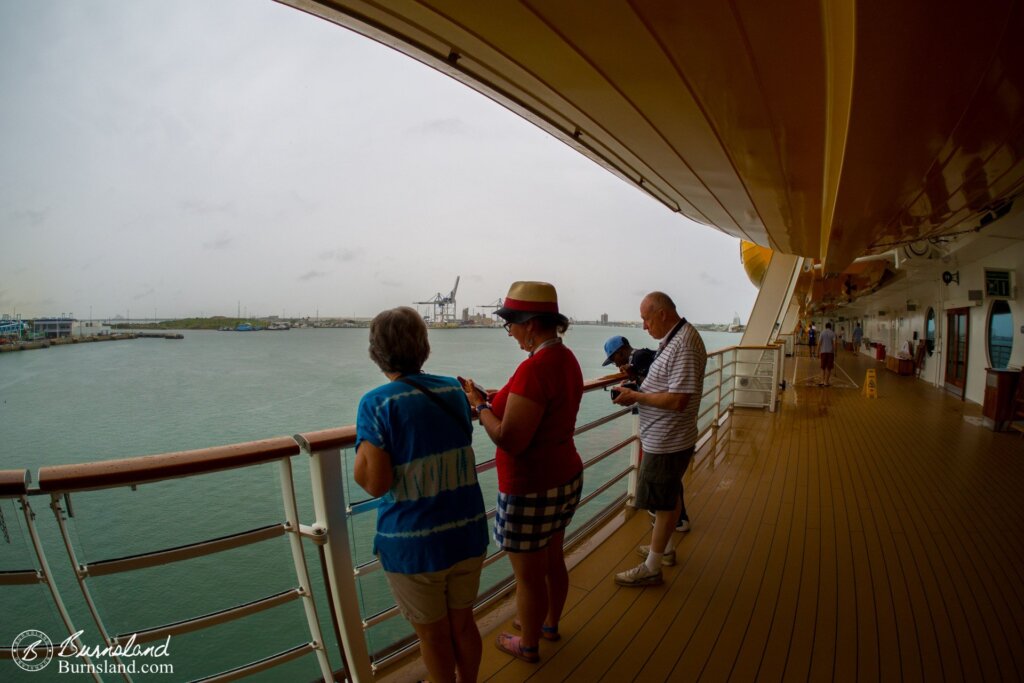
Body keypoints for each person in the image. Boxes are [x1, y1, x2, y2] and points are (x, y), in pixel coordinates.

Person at [354, 307, 489, 683]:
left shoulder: (376, 403)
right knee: (463, 623)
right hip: (467, 531)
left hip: (415, 545)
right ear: (423, 346)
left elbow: (375, 483)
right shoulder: (453, 389)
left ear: (376, 351)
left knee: (432, 634)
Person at [460, 281, 583, 664]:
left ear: (530, 323)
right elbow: (532, 403)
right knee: (552, 558)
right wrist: (496, 398)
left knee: (528, 577)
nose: (509, 331)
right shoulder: (566, 359)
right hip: (564, 477)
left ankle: (528, 645)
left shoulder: (536, 368)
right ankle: (547, 624)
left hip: (531, 488)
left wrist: (481, 408)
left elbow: (510, 439)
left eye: (510, 323)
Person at [610, 292, 706, 586]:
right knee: (670, 496)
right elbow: (668, 383)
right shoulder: (676, 340)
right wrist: (638, 384)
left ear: (663, 314)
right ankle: (662, 548)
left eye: (646, 318)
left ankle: (652, 566)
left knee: (662, 502)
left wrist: (635, 395)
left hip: (668, 440)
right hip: (670, 437)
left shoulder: (685, 344)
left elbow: (678, 400)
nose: (643, 326)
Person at [817, 321, 837, 386]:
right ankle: (826, 382)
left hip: (823, 352)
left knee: (822, 367)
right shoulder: (833, 333)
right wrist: (835, 352)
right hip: (830, 353)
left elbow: (819, 343)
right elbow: (834, 344)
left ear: (825, 326)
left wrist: (817, 352)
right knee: (829, 368)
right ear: (830, 327)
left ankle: (822, 381)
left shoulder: (822, 332)